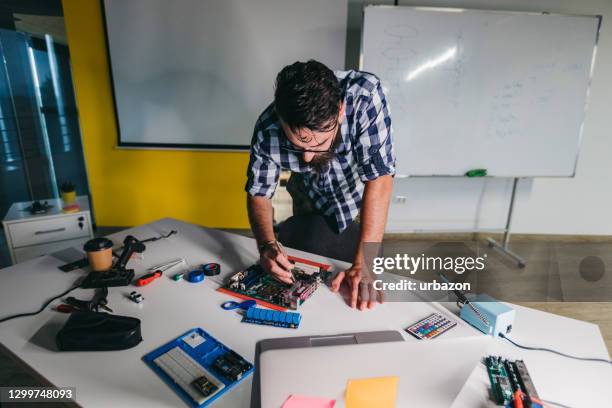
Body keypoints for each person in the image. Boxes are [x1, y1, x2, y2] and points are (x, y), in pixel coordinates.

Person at [245, 60, 395, 310]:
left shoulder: (365, 96)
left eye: (317, 144)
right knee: (310, 260)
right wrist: (266, 245)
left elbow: (379, 179)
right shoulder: (266, 128)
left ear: (340, 110)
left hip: (357, 195)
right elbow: (258, 193)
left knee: (363, 277)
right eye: (297, 145)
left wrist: (363, 265)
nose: (306, 157)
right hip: (308, 194)